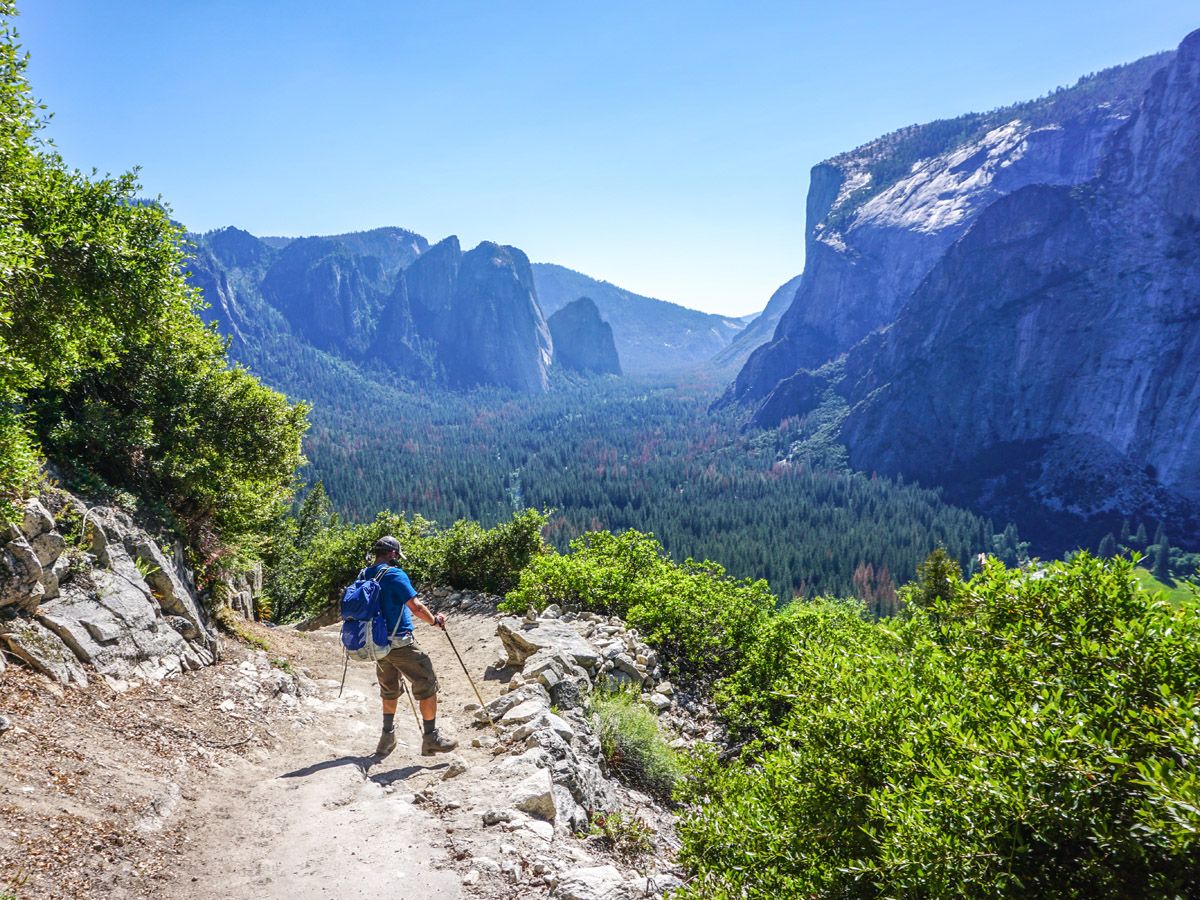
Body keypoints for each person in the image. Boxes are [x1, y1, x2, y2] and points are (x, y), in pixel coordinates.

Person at [365, 535, 457, 758]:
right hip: (399, 642)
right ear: (393, 554)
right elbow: (415, 607)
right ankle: (431, 737)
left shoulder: (365, 573)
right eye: (397, 555)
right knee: (426, 680)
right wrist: (434, 621)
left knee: (389, 688)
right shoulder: (395, 574)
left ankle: (387, 737)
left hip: (376, 643)